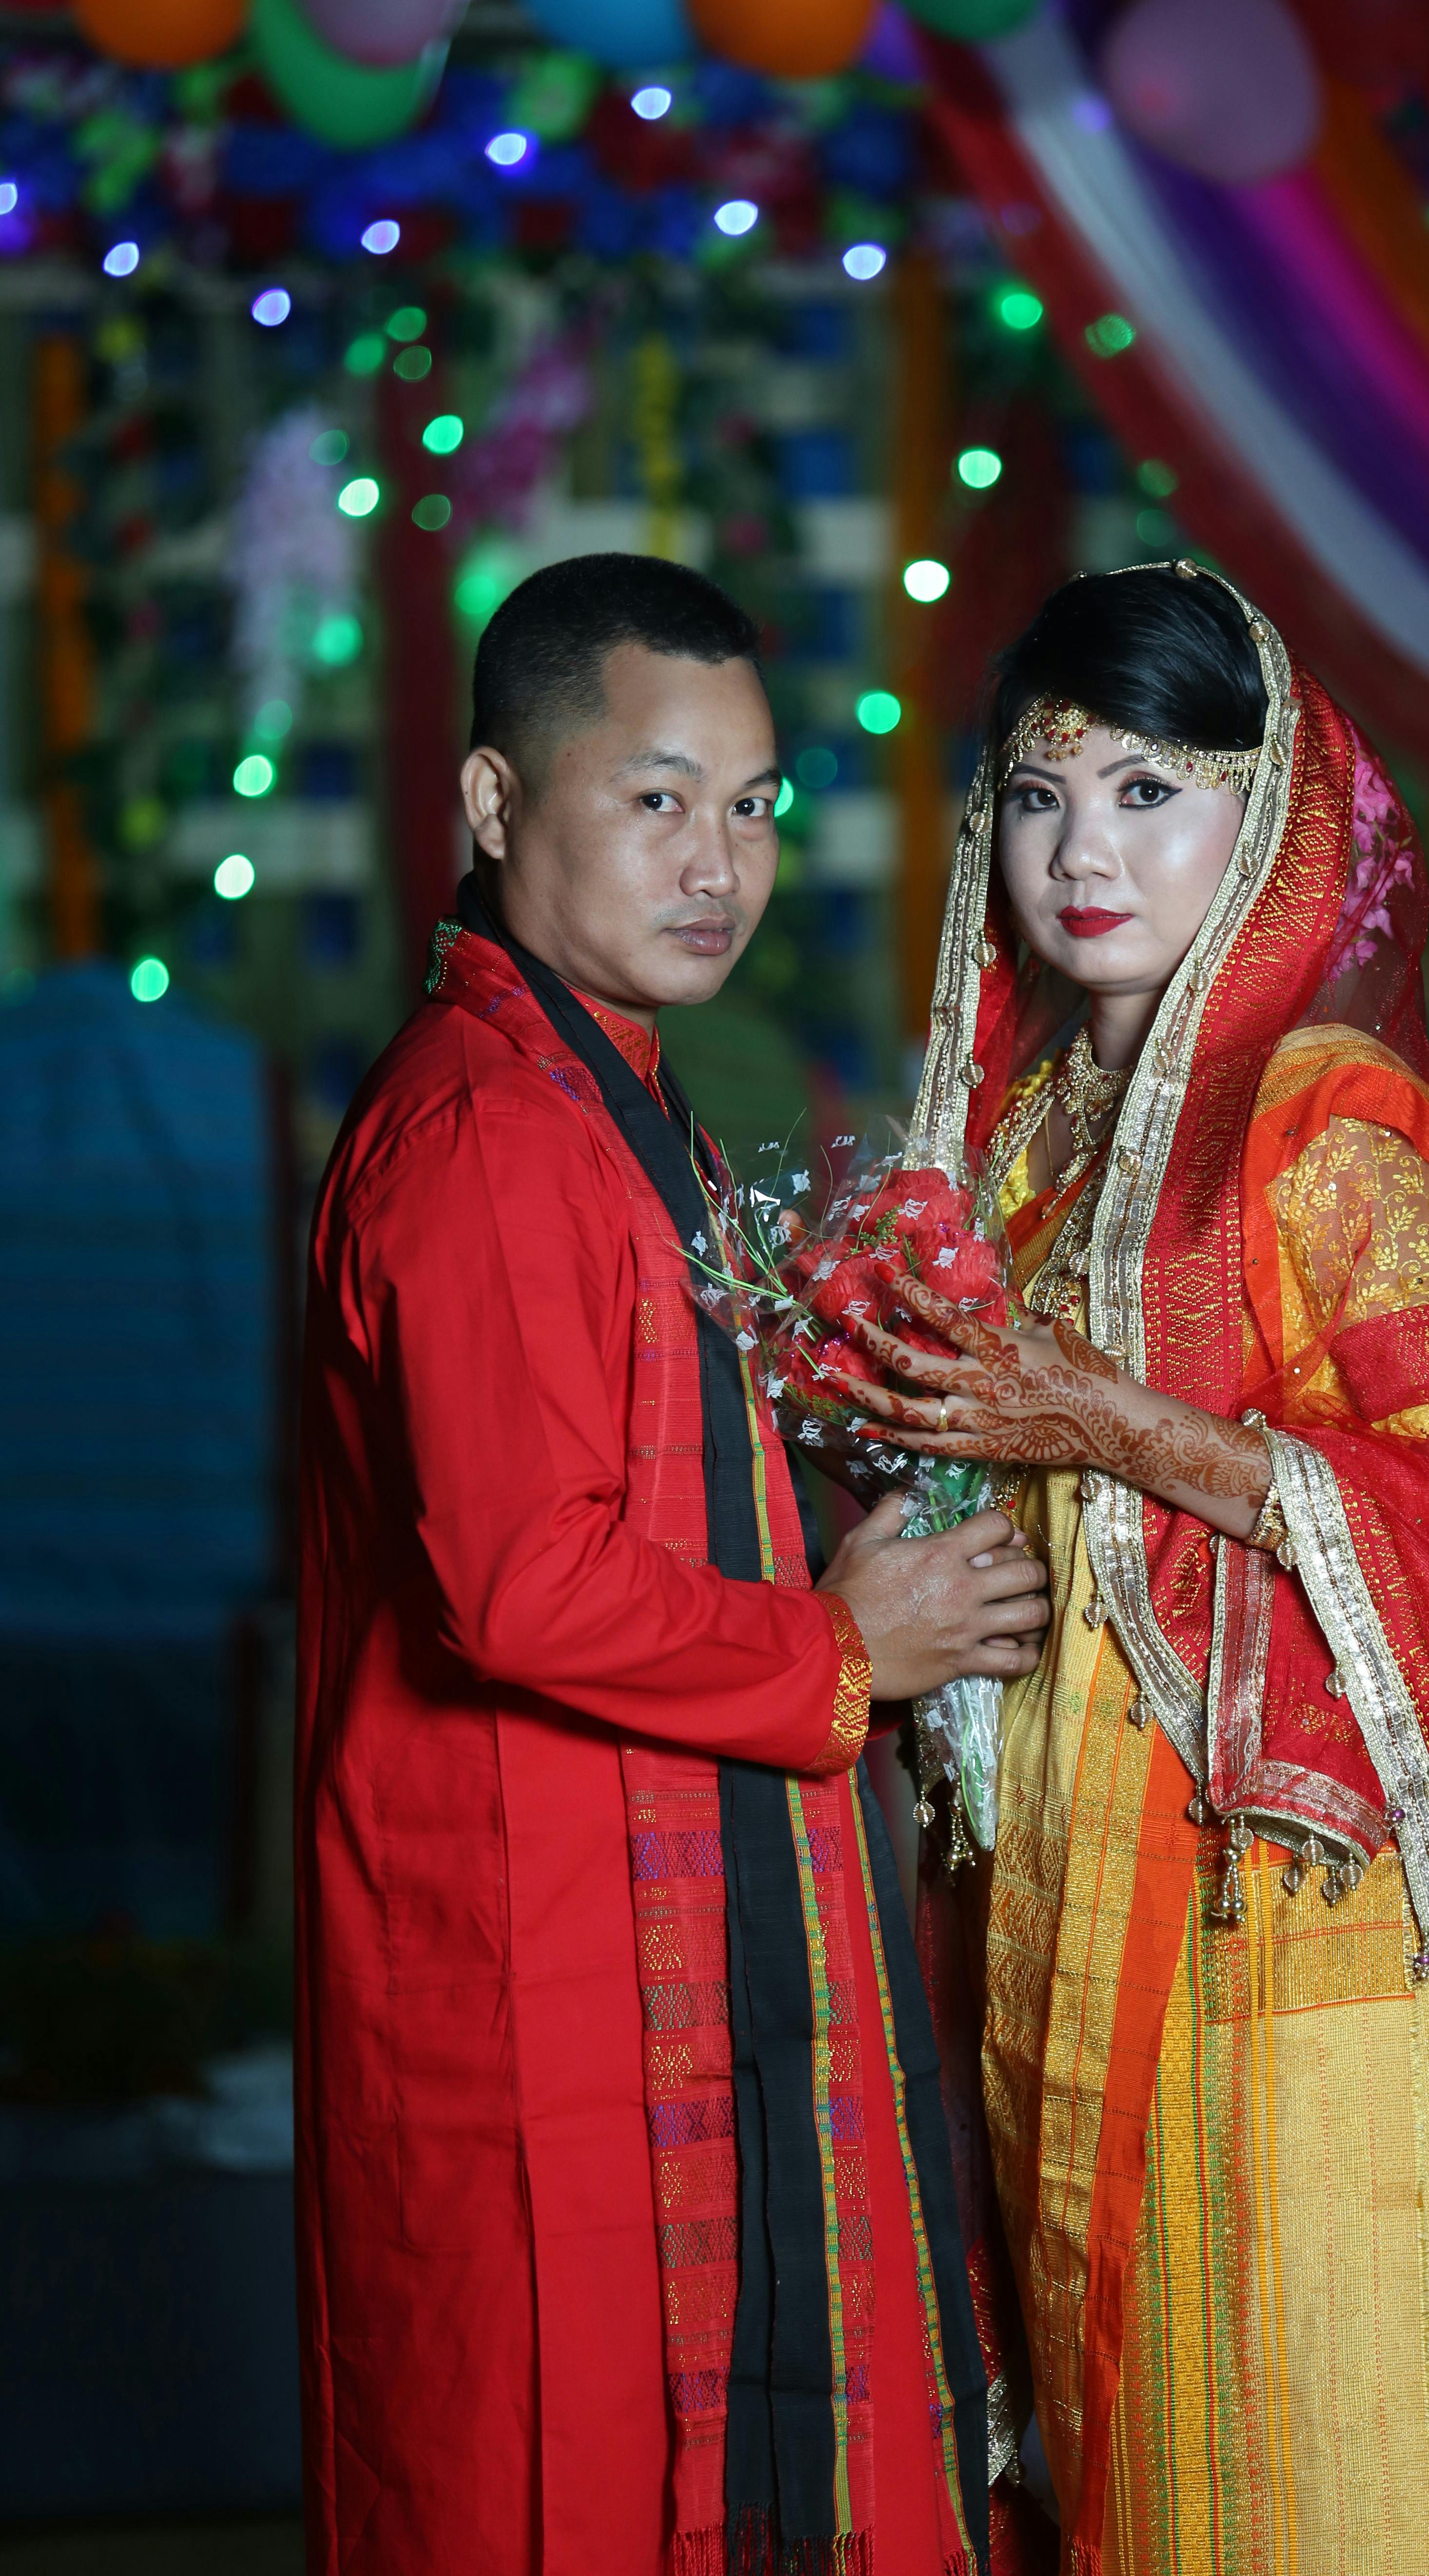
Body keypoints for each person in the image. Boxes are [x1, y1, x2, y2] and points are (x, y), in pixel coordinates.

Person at [842, 562, 1429, 2573]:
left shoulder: (1329, 1124)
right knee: (1108, 2452)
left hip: (1287, 1933)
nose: (1083, 854)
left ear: (1273, 810)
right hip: (1061, 1906)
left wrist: (1105, 1422)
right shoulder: (1022, 1140)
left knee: (1315, 2453)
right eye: (1040, 799)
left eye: (1150, 791)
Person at [294, 553, 1050, 2576]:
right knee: (568, 2482)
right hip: (536, 1964)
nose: (718, 862)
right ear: (489, 805)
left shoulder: (615, 1105)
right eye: (655, 799)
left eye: (753, 807)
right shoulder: (494, 1141)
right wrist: (842, 1643)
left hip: (643, 1928)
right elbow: (525, 1586)